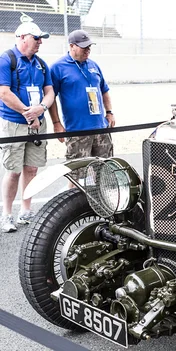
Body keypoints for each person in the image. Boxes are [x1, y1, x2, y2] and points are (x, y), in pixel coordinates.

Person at [0, 20, 54, 232]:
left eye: (41, 38)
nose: (40, 42)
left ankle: (26, 210)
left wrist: (40, 108)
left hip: (38, 123)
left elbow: (49, 92)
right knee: (13, 170)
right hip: (14, 123)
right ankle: (7, 214)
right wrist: (27, 112)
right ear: (22, 37)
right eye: (36, 38)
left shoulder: (41, 64)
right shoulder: (7, 59)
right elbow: (4, 93)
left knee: (31, 168)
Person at [49, 29, 114, 189]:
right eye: (84, 47)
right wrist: (56, 122)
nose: (88, 50)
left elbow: (104, 90)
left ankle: (101, 203)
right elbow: (51, 98)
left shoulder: (93, 65)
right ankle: (72, 207)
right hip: (77, 131)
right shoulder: (58, 67)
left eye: (89, 46)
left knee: (103, 171)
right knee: (76, 175)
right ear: (71, 46)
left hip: (100, 128)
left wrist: (109, 112)